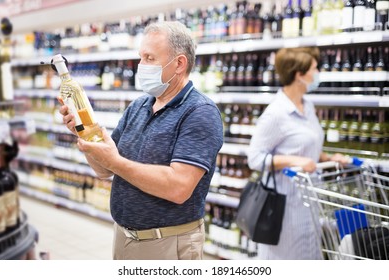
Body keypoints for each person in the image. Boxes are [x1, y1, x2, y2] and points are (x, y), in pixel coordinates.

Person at [58, 21, 223, 260]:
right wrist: (83, 132)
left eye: (149, 58)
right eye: (140, 58)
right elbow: (104, 169)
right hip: (124, 237)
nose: (141, 66)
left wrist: (115, 162)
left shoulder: (200, 112)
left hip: (168, 243)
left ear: (179, 63)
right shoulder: (139, 106)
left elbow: (178, 188)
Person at [247, 47, 349, 260]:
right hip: (284, 205)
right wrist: (295, 161)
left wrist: (329, 159)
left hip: (309, 198)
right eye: (314, 68)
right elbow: (255, 159)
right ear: (299, 75)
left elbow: (307, 146)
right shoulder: (276, 113)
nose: (318, 73)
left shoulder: (308, 106)